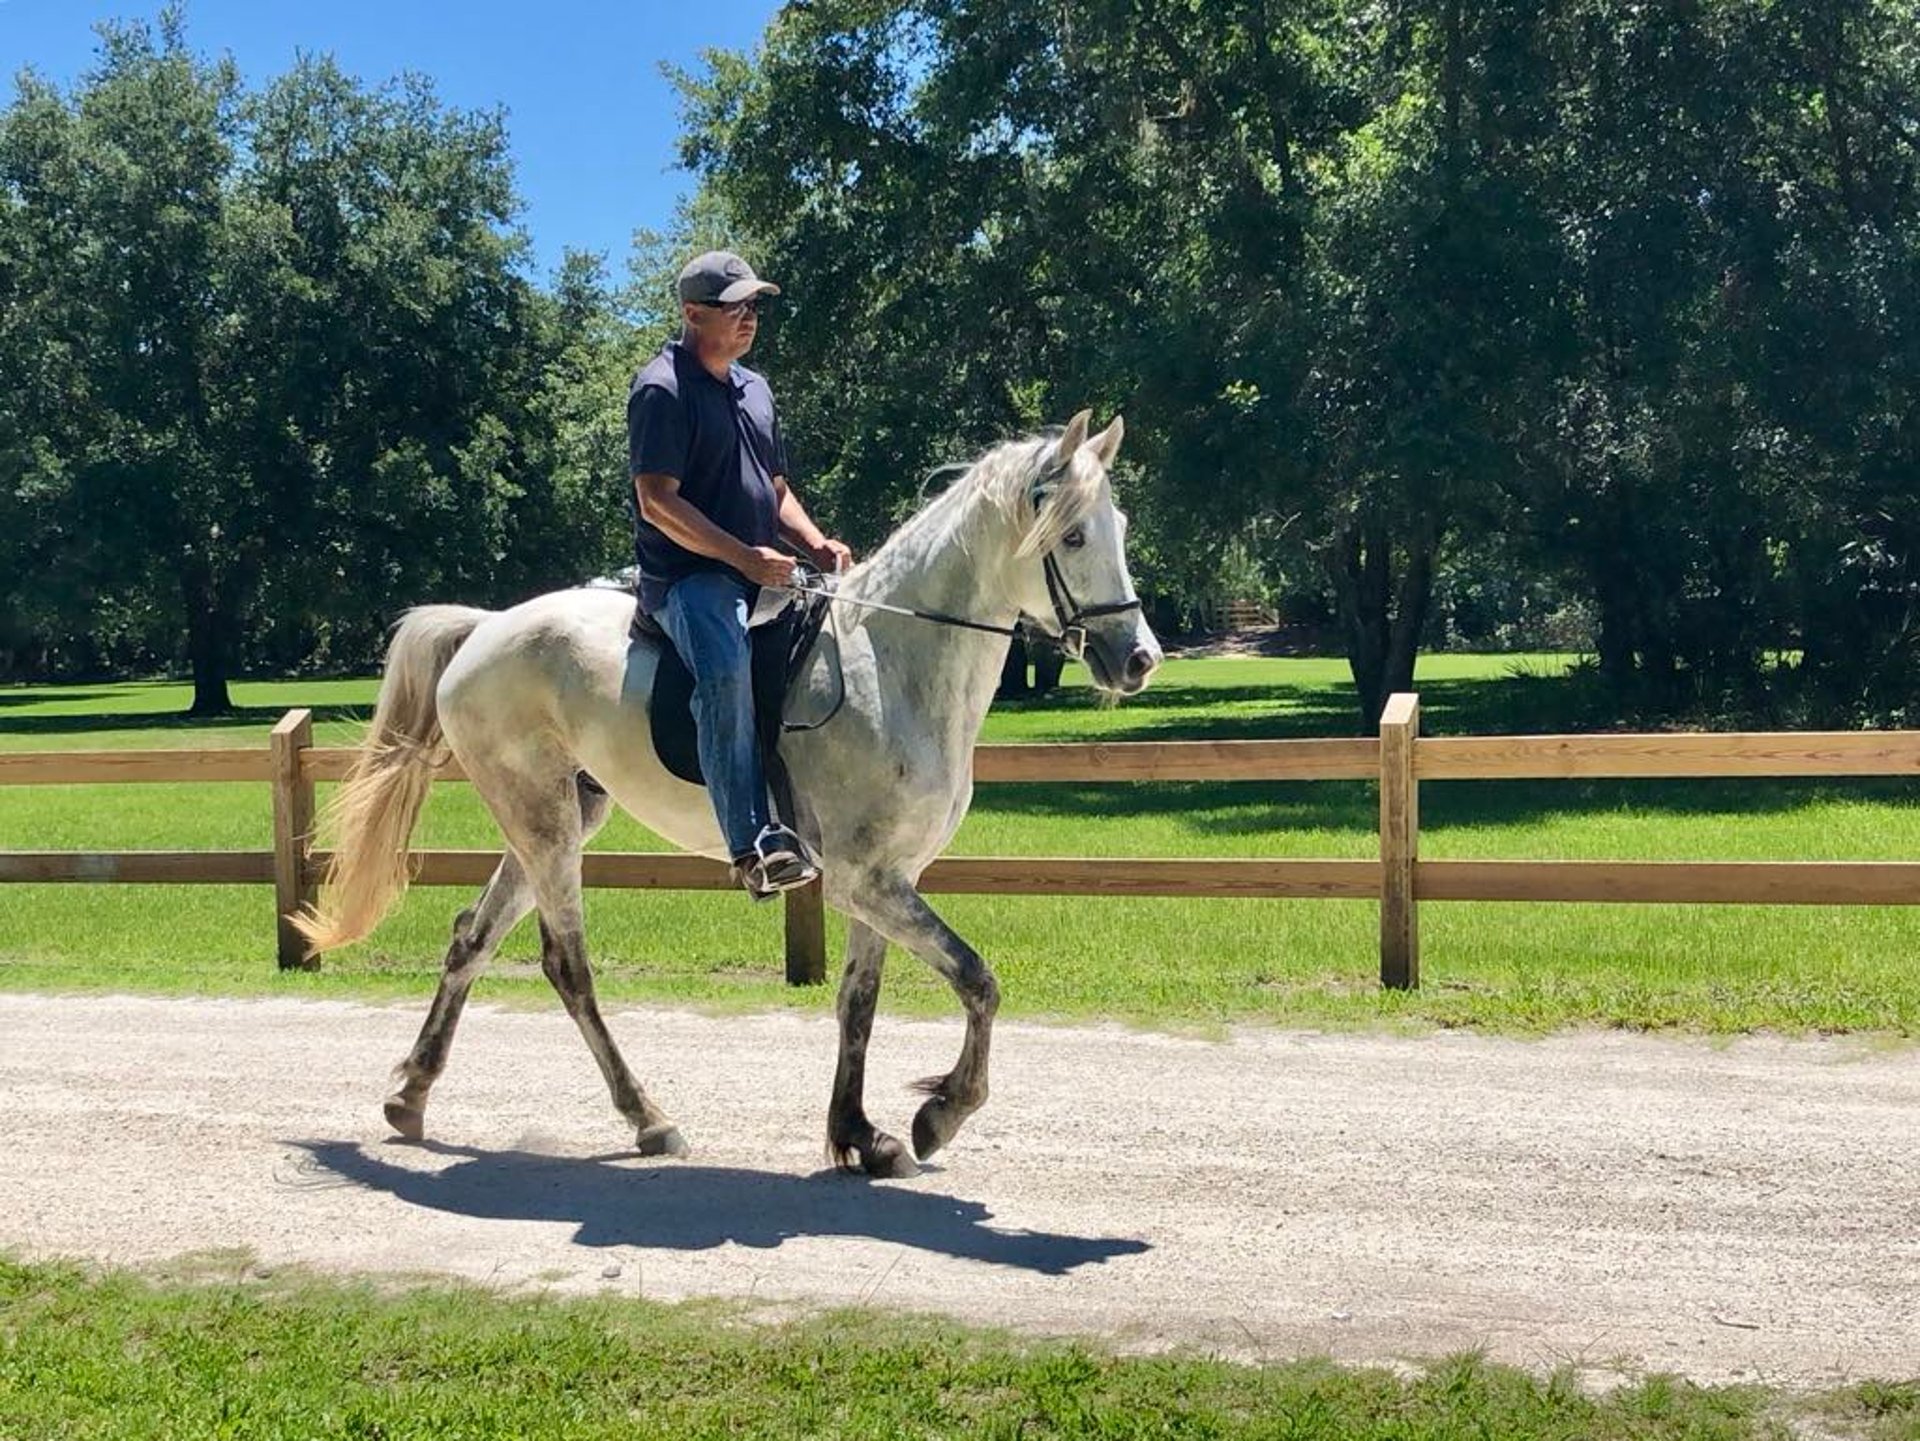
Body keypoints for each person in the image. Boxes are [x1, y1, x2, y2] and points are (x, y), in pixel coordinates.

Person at [627, 250, 852, 899]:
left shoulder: (754, 388)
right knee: (724, 666)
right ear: (693, 314)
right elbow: (657, 502)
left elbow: (775, 489)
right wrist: (744, 558)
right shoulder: (661, 389)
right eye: (735, 307)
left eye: (753, 305)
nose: (750, 317)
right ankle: (753, 844)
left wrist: (816, 543)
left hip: (765, 570)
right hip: (690, 579)